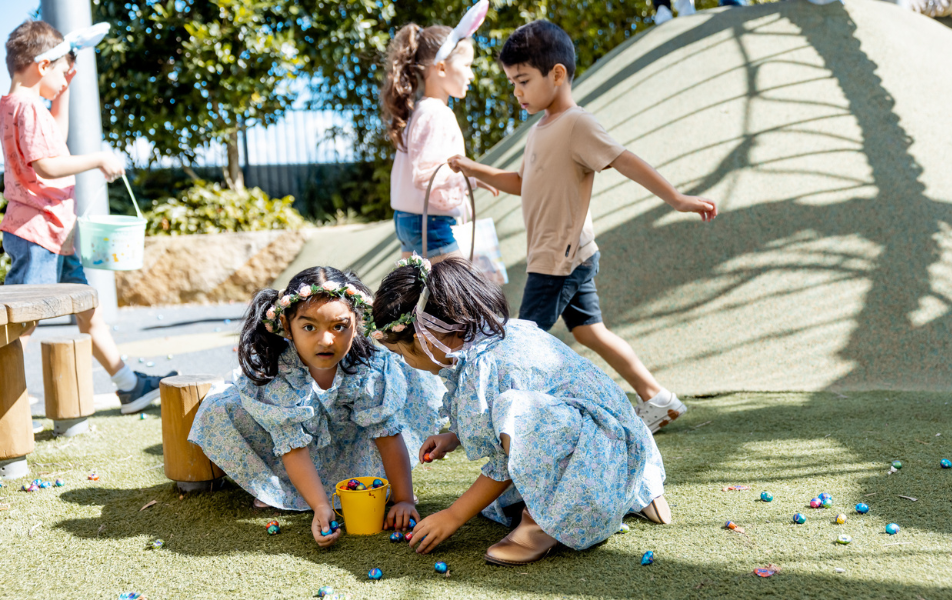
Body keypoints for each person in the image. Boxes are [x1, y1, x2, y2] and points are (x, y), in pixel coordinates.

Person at [446, 21, 718, 434]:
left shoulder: (577, 124)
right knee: (590, 331)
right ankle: (657, 397)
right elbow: (521, 183)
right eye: (512, 82)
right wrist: (472, 168)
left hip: (560, 257)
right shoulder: (539, 129)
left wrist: (677, 199)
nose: (516, 92)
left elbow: (624, 159)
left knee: (521, 341)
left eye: (522, 81)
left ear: (556, 74)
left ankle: (509, 422)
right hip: (564, 253)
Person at [371, 257, 671, 565]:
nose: (405, 361)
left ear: (428, 337)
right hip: (616, 443)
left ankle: (541, 526)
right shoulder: (492, 336)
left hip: (603, 452)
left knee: (516, 412)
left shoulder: (488, 366)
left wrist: (453, 515)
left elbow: (511, 447)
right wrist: (453, 435)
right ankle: (631, 490)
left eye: (402, 351)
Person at [188, 266, 446, 547]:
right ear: (287, 327)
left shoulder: (368, 368)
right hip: (301, 455)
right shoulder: (279, 372)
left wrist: (404, 498)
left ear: (357, 323)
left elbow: (387, 435)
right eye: (309, 327)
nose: (325, 340)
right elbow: (292, 447)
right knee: (221, 408)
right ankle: (284, 486)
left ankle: (313, 488)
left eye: (339, 327)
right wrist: (322, 507)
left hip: (352, 447)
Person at [1, 20, 174, 417]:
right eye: (62, 71)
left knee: (88, 311)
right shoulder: (26, 108)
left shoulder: (18, 106)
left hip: (53, 233)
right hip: (38, 232)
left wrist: (65, 88)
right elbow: (46, 164)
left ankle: (129, 387)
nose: (65, 80)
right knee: (21, 325)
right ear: (42, 66)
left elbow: (53, 138)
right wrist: (97, 158)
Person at [379, 0, 498, 264]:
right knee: (458, 297)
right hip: (431, 222)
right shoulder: (436, 113)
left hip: (408, 219)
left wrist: (474, 179)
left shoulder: (419, 110)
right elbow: (428, 176)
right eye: (467, 66)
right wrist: (465, 186)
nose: (471, 75)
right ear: (441, 68)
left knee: (416, 294)